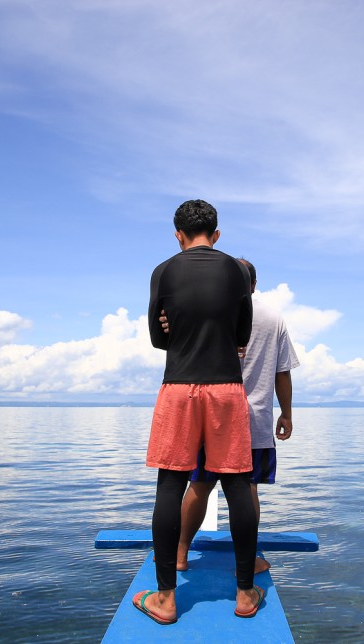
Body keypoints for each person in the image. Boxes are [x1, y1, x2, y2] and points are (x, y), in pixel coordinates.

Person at [133, 199, 263, 626]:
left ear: (178, 235)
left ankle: (166, 599)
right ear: (217, 233)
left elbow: (157, 336)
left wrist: (175, 327)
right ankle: (245, 593)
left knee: (170, 486)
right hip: (227, 388)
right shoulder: (236, 271)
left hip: (179, 388)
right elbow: (242, 333)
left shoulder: (164, 271)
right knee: (238, 486)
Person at [174, 258, 300, 575]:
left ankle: (179, 553)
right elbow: (281, 373)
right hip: (253, 418)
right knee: (248, 489)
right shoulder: (273, 318)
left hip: (209, 417)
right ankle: (246, 560)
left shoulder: (208, 311)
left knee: (200, 485)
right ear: (254, 285)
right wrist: (285, 413)